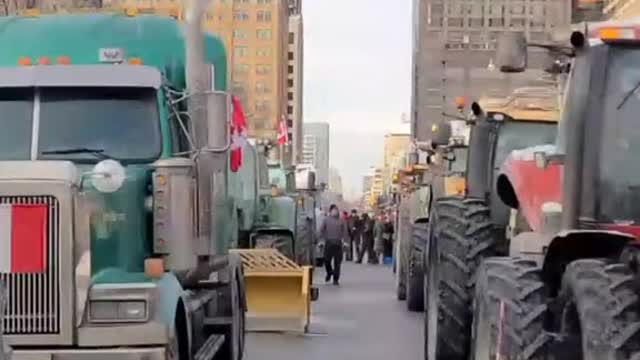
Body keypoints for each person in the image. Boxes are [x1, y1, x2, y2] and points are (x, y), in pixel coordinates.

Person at [318, 204, 348, 285]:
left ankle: (336, 279)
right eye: (333, 210)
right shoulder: (326, 220)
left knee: (337, 263)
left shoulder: (341, 220)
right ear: (330, 211)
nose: (335, 212)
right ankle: (329, 272)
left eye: (336, 210)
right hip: (329, 243)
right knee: (327, 261)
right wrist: (321, 241)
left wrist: (345, 242)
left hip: (338, 244)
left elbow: (345, 232)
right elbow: (321, 231)